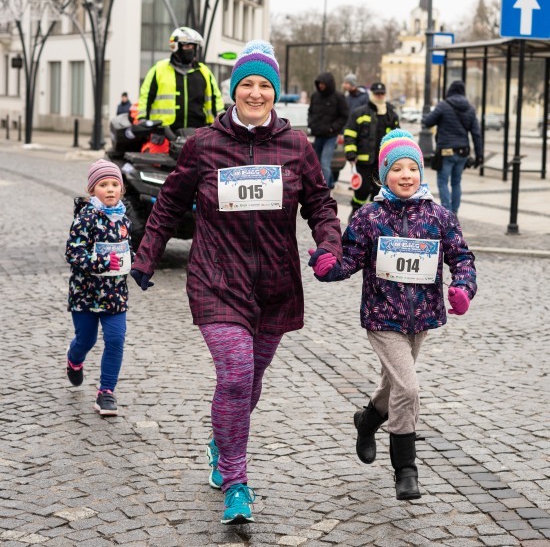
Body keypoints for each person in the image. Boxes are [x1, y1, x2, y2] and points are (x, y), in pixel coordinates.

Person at [130, 40, 342, 525]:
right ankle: (236, 481)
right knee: (236, 373)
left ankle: (221, 440)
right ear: (232, 91)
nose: (255, 92)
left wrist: (330, 243)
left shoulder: (296, 146)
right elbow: (168, 204)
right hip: (217, 278)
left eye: (264, 85)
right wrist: (145, 258)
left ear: (275, 92)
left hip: (275, 282)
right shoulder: (206, 144)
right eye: (246, 83)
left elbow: (321, 204)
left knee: (250, 384)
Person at [308, 129, 477, 501]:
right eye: (396, 168)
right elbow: (348, 259)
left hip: (423, 318)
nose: (405, 175)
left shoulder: (439, 217)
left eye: (411, 168)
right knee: (409, 387)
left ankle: (367, 420)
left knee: (394, 384)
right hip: (382, 317)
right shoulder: (370, 217)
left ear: (421, 172)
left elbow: (462, 258)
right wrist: (326, 265)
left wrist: (463, 288)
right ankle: (406, 469)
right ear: (383, 175)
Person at [65, 159, 134, 417]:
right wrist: (104, 262)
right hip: (85, 294)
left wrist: (136, 264)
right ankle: (74, 360)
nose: (110, 189)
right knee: (87, 339)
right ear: (92, 189)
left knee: (116, 340)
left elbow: (128, 250)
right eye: (103, 184)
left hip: (115, 296)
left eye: (115, 184)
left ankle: (106, 392)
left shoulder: (124, 218)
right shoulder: (86, 217)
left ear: (122, 189)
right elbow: (73, 252)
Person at [137, 26, 224, 136]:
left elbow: (216, 101)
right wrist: (142, 120)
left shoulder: (204, 72)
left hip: (198, 134)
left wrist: (222, 125)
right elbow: (145, 97)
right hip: (162, 134)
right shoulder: (159, 69)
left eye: (193, 46)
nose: (190, 50)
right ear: (175, 47)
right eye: (187, 46)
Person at [422, 80, 483, 215]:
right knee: (456, 183)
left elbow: (428, 122)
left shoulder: (443, 105)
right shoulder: (471, 109)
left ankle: (447, 213)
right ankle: (454, 212)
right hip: (462, 152)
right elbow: (476, 134)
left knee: (443, 182)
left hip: (446, 152)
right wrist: (479, 155)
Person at [343, 81, 399, 220]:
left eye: (382, 93)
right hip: (363, 161)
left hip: (383, 163)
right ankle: (356, 212)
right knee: (361, 190)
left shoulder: (391, 115)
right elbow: (349, 134)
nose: (379, 96)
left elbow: (397, 137)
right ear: (371, 94)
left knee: (378, 191)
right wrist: (351, 154)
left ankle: (373, 217)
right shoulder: (359, 112)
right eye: (377, 93)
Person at [308, 71, 349, 188]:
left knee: (325, 163)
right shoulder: (315, 96)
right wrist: (311, 124)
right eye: (319, 83)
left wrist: (333, 128)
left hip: (331, 136)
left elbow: (344, 116)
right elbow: (311, 112)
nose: (321, 86)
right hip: (318, 134)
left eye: (323, 83)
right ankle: (329, 183)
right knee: (317, 163)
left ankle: (323, 189)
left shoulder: (339, 97)